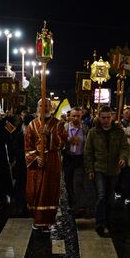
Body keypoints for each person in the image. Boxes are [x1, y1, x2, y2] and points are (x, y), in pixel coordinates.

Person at [84, 106, 129, 237]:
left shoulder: (119, 132)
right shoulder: (93, 132)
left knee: (110, 198)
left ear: (112, 117)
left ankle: (108, 221)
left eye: (108, 117)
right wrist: (90, 169)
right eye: (103, 117)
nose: (106, 120)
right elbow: (88, 152)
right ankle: (100, 223)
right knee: (101, 195)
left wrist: (123, 158)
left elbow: (124, 147)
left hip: (114, 169)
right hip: (99, 168)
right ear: (99, 117)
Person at [25, 99, 68, 231]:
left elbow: (62, 143)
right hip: (36, 163)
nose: (43, 108)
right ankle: (36, 217)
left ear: (51, 107)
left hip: (52, 161)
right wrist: (36, 157)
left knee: (49, 191)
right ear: (37, 107)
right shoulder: (32, 125)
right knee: (34, 191)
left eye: (46, 106)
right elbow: (27, 146)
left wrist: (49, 135)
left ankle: (47, 219)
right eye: (40, 105)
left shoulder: (58, 124)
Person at [63, 107, 89, 216]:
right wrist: (67, 140)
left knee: (78, 181)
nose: (76, 118)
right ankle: (71, 203)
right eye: (74, 116)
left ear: (81, 116)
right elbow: (59, 140)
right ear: (70, 116)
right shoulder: (65, 127)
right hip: (68, 158)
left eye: (78, 116)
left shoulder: (85, 128)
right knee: (68, 182)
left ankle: (80, 206)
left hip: (80, 158)